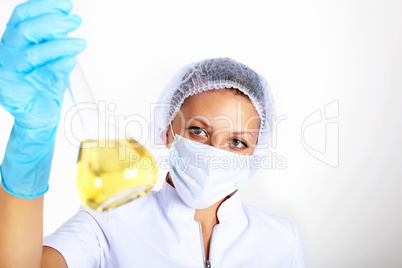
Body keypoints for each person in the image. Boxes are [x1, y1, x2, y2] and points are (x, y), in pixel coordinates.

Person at [0, 0, 305, 267]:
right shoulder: (111, 219)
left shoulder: (281, 240)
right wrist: (30, 141)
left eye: (237, 141)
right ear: (168, 131)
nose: (215, 153)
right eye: (198, 131)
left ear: (256, 153)